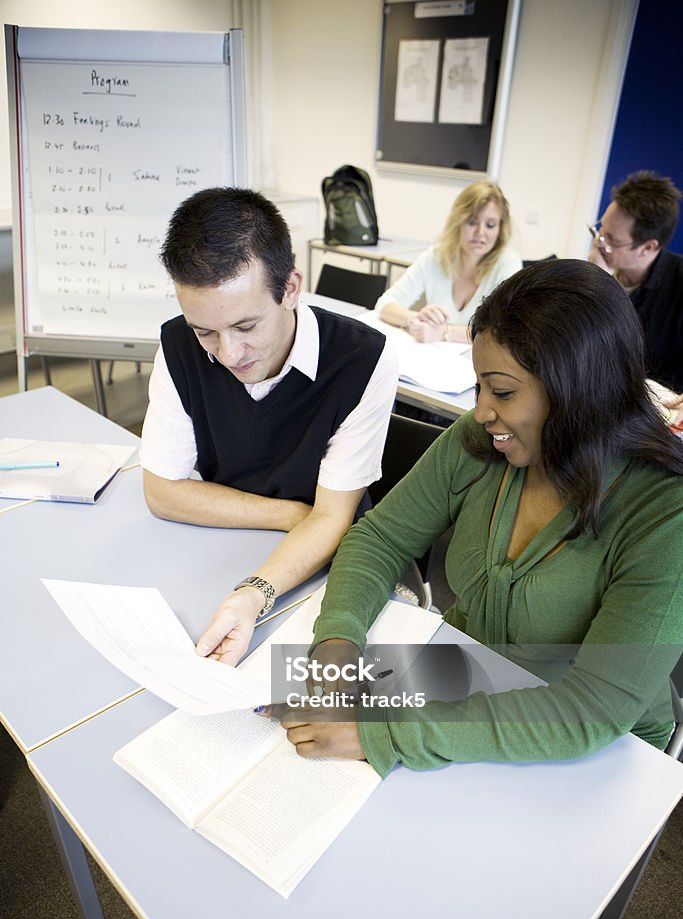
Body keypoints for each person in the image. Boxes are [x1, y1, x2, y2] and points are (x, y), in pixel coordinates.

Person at [277, 260, 683, 775]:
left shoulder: (665, 512)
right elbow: (379, 539)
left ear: (579, 390)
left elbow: (595, 710)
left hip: (597, 744)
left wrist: (383, 731)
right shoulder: (484, 440)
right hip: (464, 680)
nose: (483, 411)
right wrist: (337, 640)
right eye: (479, 388)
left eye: (504, 392)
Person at [139, 187, 398, 665]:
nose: (228, 354)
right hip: (228, 544)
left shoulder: (364, 359)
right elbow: (162, 493)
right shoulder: (179, 344)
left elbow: (333, 519)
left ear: (291, 288)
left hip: (327, 567)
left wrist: (254, 592)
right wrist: (291, 515)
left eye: (246, 327)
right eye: (206, 332)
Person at [374, 181, 522, 344]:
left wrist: (444, 332)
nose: (480, 233)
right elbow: (384, 305)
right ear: (458, 221)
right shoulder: (436, 256)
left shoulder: (508, 263)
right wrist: (415, 320)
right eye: (472, 222)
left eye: (490, 225)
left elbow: (503, 330)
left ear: (500, 228)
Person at [589, 170, 683, 425]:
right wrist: (593, 281)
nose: (599, 243)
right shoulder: (599, 268)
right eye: (600, 230)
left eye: (612, 240)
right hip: (593, 402)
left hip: (653, 419)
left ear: (648, 247)